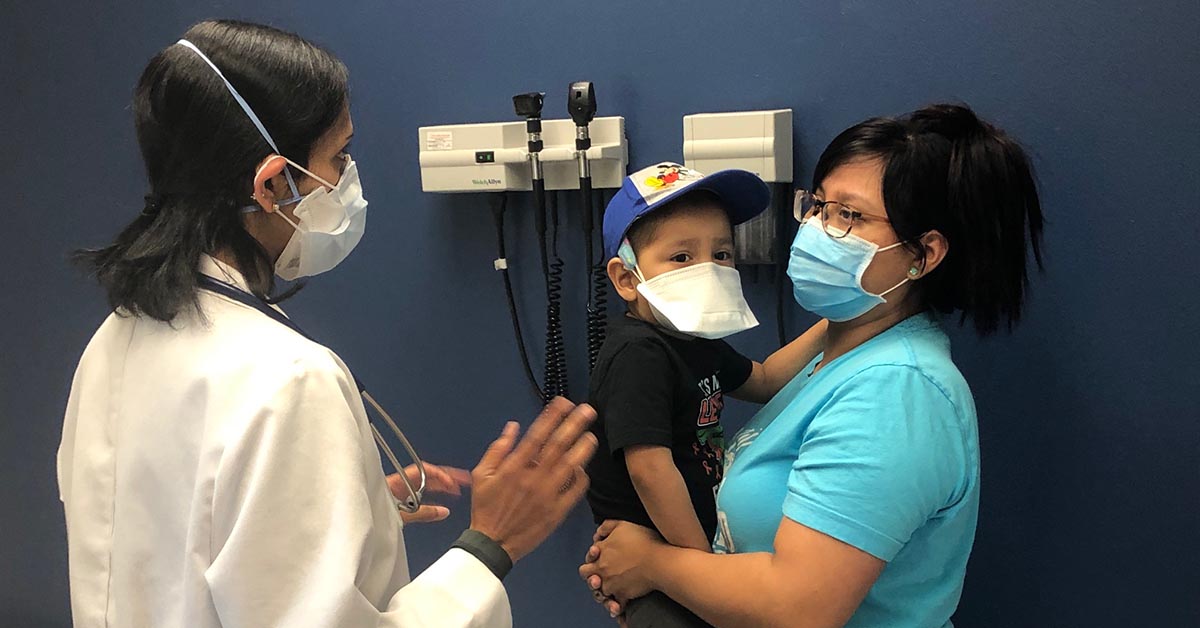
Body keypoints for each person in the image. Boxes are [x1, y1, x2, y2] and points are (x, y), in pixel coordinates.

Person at [58, 20, 596, 628]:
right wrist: (489, 547)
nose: (347, 178)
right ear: (272, 184)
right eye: (337, 156)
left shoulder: (115, 339)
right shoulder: (288, 381)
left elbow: (170, 542)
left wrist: (344, 505)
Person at [580, 103, 1045, 628]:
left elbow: (799, 609)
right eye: (820, 206)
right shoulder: (844, 352)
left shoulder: (895, 392)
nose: (819, 229)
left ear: (924, 254)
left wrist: (655, 564)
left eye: (850, 215)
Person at [585, 163, 828, 626]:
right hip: (653, 556)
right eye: (681, 258)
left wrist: (832, 326)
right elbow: (651, 470)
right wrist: (700, 569)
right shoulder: (640, 352)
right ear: (626, 279)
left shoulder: (695, 341)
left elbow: (763, 380)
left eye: (721, 254)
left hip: (685, 550)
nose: (709, 270)